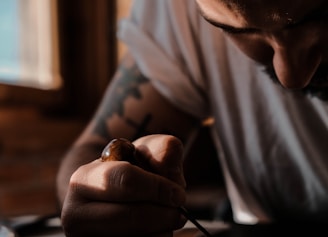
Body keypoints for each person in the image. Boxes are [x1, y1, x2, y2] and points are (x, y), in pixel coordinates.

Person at [56, 0, 328, 236]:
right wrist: (105, 200)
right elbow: (93, 155)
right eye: (239, 31)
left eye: (320, 16)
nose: (291, 77)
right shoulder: (178, 10)